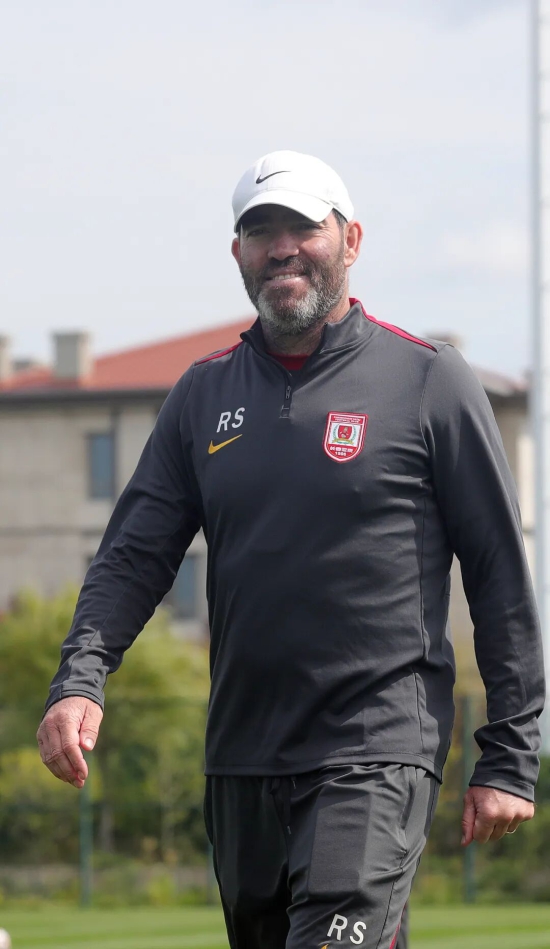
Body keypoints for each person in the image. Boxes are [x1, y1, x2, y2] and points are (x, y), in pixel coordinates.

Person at [38, 150, 544, 949]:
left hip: (375, 748)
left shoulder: (427, 379)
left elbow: (498, 575)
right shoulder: (202, 393)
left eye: (303, 228)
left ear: (351, 241)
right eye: (260, 231)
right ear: (237, 252)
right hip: (241, 760)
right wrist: (80, 679)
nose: (281, 248)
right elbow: (132, 557)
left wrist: (511, 753)